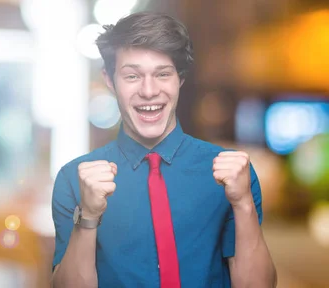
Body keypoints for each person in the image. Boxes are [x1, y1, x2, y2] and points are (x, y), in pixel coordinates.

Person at [51, 12, 277, 288]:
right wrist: (87, 216)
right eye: (132, 75)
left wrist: (243, 204)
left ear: (180, 78)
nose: (149, 91)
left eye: (163, 74)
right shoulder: (74, 179)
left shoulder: (232, 175)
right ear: (110, 80)